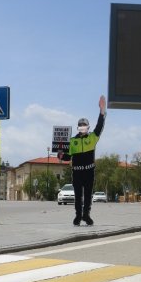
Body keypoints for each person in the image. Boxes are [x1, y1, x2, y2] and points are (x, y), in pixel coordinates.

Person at [60, 95, 106, 225]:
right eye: (80, 125)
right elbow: (68, 156)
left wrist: (102, 112)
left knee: (87, 196)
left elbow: (99, 126)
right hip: (77, 173)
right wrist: (61, 156)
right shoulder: (72, 141)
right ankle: (78, 216)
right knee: (78, 196)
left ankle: (86, 215)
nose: (82, 126)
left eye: (84, 124)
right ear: (77, 127)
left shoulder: (92, 138)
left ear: (88, 127)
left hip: (89, 172)